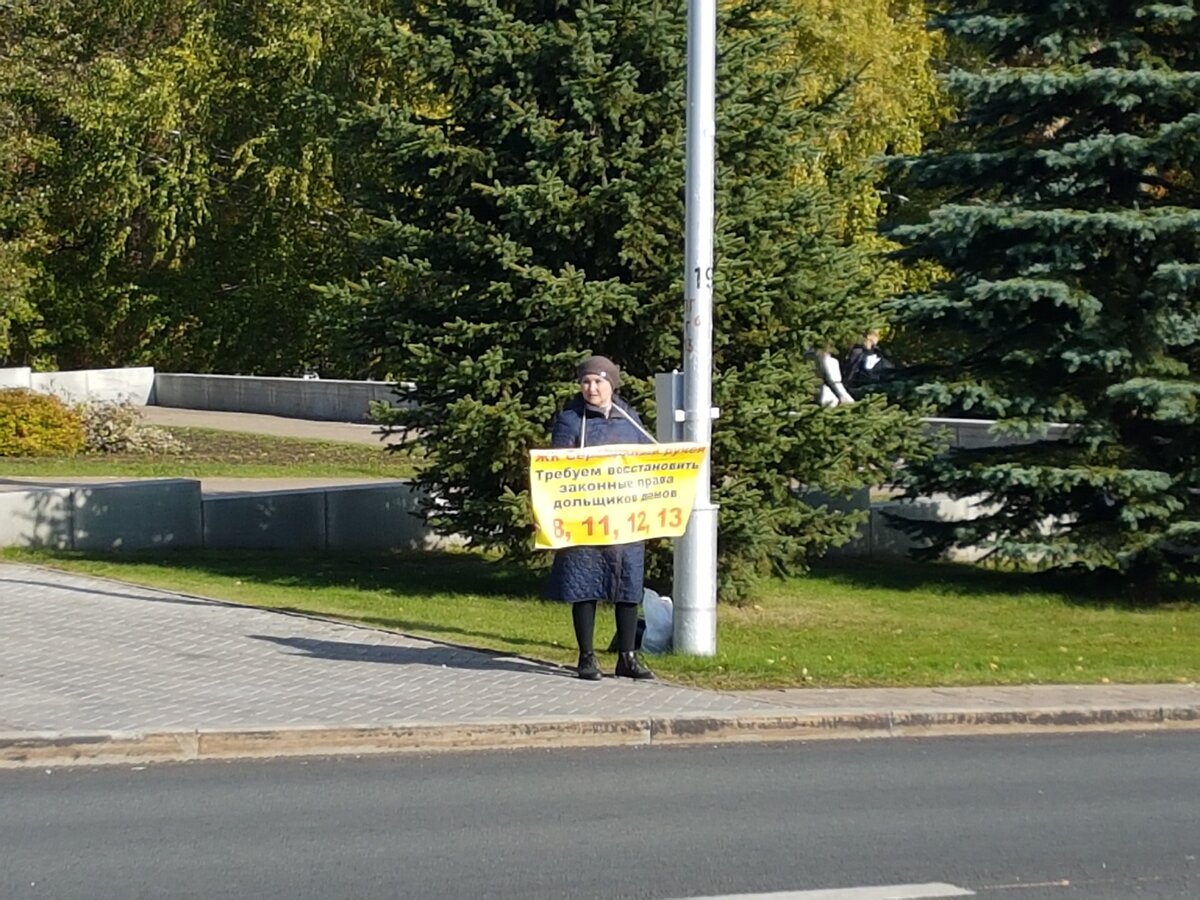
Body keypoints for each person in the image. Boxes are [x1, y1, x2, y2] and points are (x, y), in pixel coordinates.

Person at [546, 355, 657, 681]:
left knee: (628, 586)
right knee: (585, 585)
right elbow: (555, 471)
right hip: (585, 518)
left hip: (625, 518)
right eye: (586, 382)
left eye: (598, 381)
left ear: (611, 383)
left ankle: (627, 657)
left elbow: (648, 459)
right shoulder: (570, 421)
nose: (592, 388)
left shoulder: (629, 419)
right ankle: (587, 657)